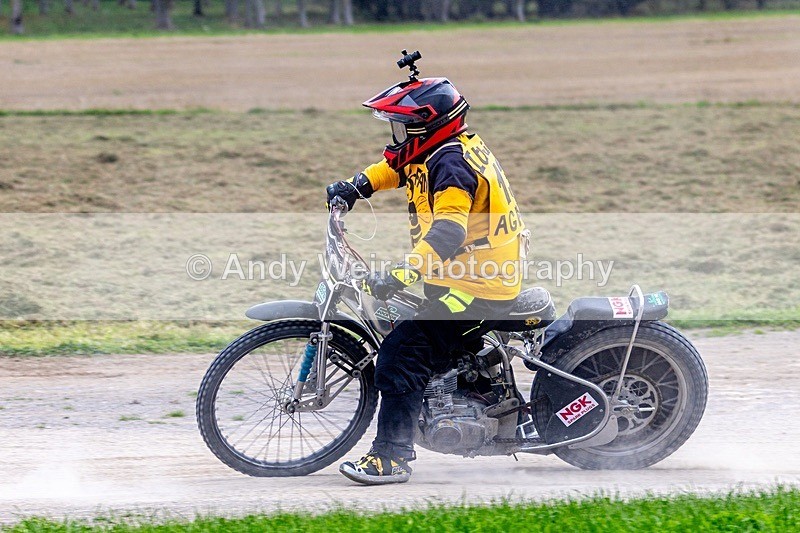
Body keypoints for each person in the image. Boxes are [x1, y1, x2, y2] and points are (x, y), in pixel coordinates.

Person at [326, 55, 527, 485]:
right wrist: (356, 187)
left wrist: (403, 273)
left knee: (401, 355)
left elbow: (449, 233)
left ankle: (391, 459)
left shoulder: (451, 165)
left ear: (427, 127)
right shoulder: (440, 150)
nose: (398, 136)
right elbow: (396, 168)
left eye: (403, 127)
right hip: (462, 277)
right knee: (412, 332)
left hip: (477, 288)